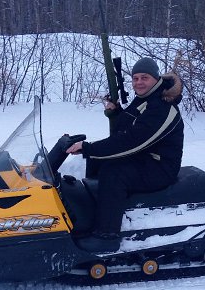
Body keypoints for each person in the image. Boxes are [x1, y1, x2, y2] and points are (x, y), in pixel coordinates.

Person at [66, 57, 184, 250]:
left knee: (115, 173)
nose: (139, 82)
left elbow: (132, 141)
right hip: (143, 157)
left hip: (160, 167)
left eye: (144, 77)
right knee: (100, 162)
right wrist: (116, 112)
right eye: (135, 78)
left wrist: (88, 148)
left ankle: (107, 236)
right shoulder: (145, 98)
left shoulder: (163, 107)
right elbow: (127, 129)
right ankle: (91, 216)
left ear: (156, 79)